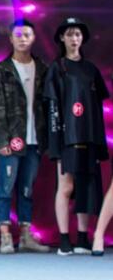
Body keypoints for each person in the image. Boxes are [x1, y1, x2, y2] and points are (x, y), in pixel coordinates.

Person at [44, 17, 108, 256]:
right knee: (66, 186)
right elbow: (52, 107)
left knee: (86, 186)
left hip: (89, 136)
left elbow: (98, 108)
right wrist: (55, 142)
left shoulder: (91, 69)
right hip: (66, 137)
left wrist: (100, 143)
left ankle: (82, 237)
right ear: (62, 38)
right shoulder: (57, 68)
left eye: (78, 34)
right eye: (70, 34)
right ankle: (64, 238)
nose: (74, 38)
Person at [0, 20, 51, 254]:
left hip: (35, 140)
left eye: (27, 35)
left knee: (27, 189)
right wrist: (1, 140)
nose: (23, 39)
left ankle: (25, 235)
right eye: (18, 35)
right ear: (11, 39)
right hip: (11, 141)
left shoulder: (43, 68)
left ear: (33, 38)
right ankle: (5, 236)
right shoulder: (1, 69)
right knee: (5, 187)